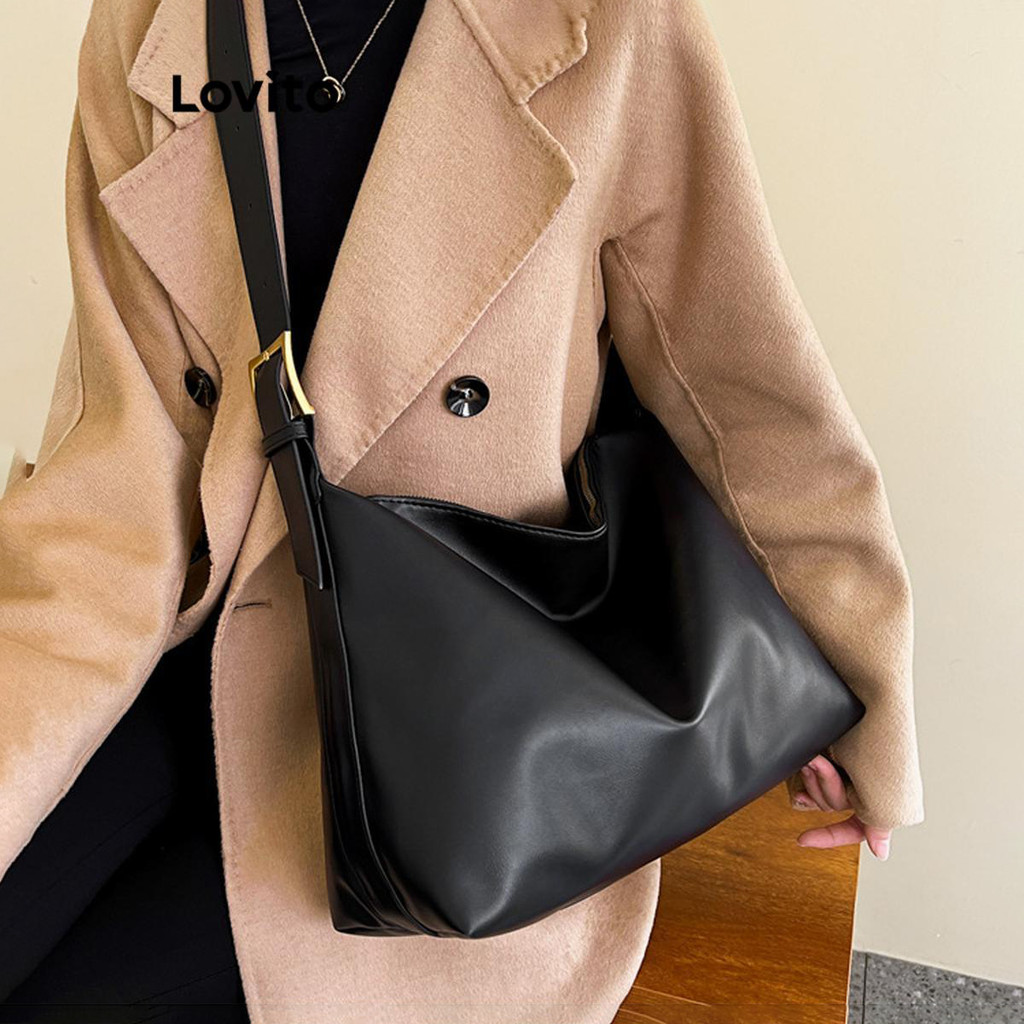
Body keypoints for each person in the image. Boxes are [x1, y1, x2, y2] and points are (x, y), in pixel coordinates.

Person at [0, 0, 924, 1019]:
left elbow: (740, 390)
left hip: (446, 730)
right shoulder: (153, 27)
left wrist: (862, 687)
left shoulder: (613, 28)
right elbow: (114, 469)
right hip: (178, 635)